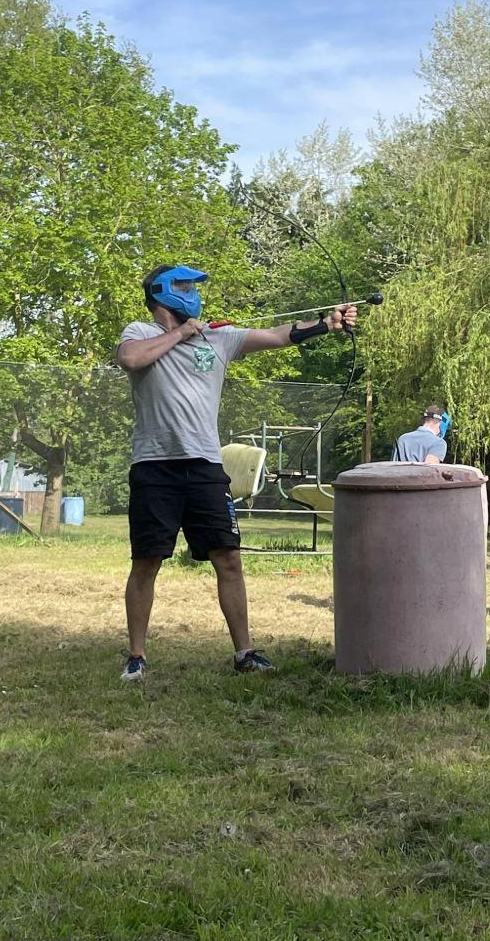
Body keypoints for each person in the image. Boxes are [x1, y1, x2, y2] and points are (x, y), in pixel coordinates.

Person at [116, 263, 357, 681]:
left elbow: (281, 335)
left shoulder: (220, 338)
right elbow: (131, 360)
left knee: (228, 559)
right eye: (184, 285)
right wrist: (180, 334)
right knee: (147, 560)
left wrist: (326, 324)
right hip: (155, 468)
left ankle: (244, 652)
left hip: (207, 467)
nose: (193, 292)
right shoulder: (139, 332)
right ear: (161, 291)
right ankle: (136, 655)